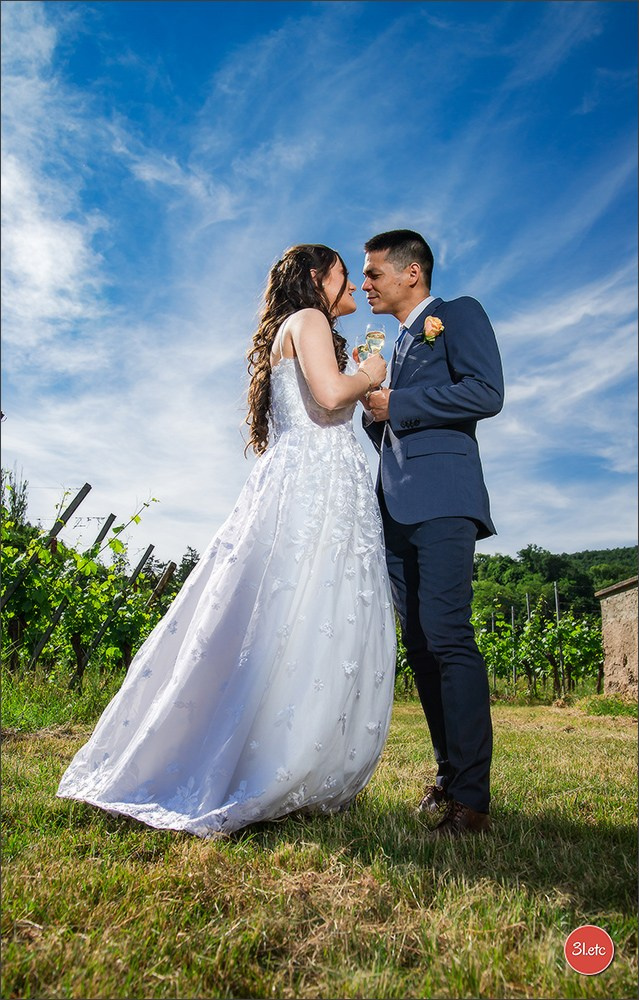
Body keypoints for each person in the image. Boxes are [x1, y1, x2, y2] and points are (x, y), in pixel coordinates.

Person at [57, 244, 396, 837]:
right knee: (301, 612)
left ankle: (287, 758)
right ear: (318, 278)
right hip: (313, 490)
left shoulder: (299, 326)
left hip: (319, 485)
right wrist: (369, 375)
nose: (355, 284)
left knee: (298, 616)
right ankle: (273, 763)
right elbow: (330, 395)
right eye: (346, 273)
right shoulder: (310, 319)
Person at [361, 229, 504, 837]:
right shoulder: (391, 345)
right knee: (419, 647)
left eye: (373, 274)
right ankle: (447, 776)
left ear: (410, 273)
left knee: (448, 637)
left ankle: (472, 800)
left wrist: (401, 405)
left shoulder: (457, 315)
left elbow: (485, 392)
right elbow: (390, 423)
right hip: (395, 507)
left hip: (445, 501)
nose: (366, 284)